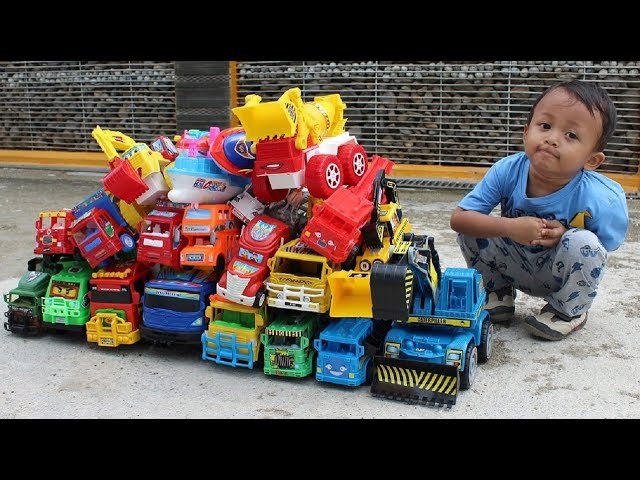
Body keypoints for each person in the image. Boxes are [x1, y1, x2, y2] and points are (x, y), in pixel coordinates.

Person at [449, 80, 629, 341]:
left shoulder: (602, 197)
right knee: (474, 224)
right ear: (526, 131)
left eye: (571, 135)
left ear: (592, 160)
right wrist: (511, 227)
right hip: (512, 262)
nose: (552, 138)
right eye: (545, 126)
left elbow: (605, 247)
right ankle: (497, 292)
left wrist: (566, 233)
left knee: (585, 242)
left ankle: (568, 310)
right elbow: (459, 219)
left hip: (556, 273)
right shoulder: (507, 170)